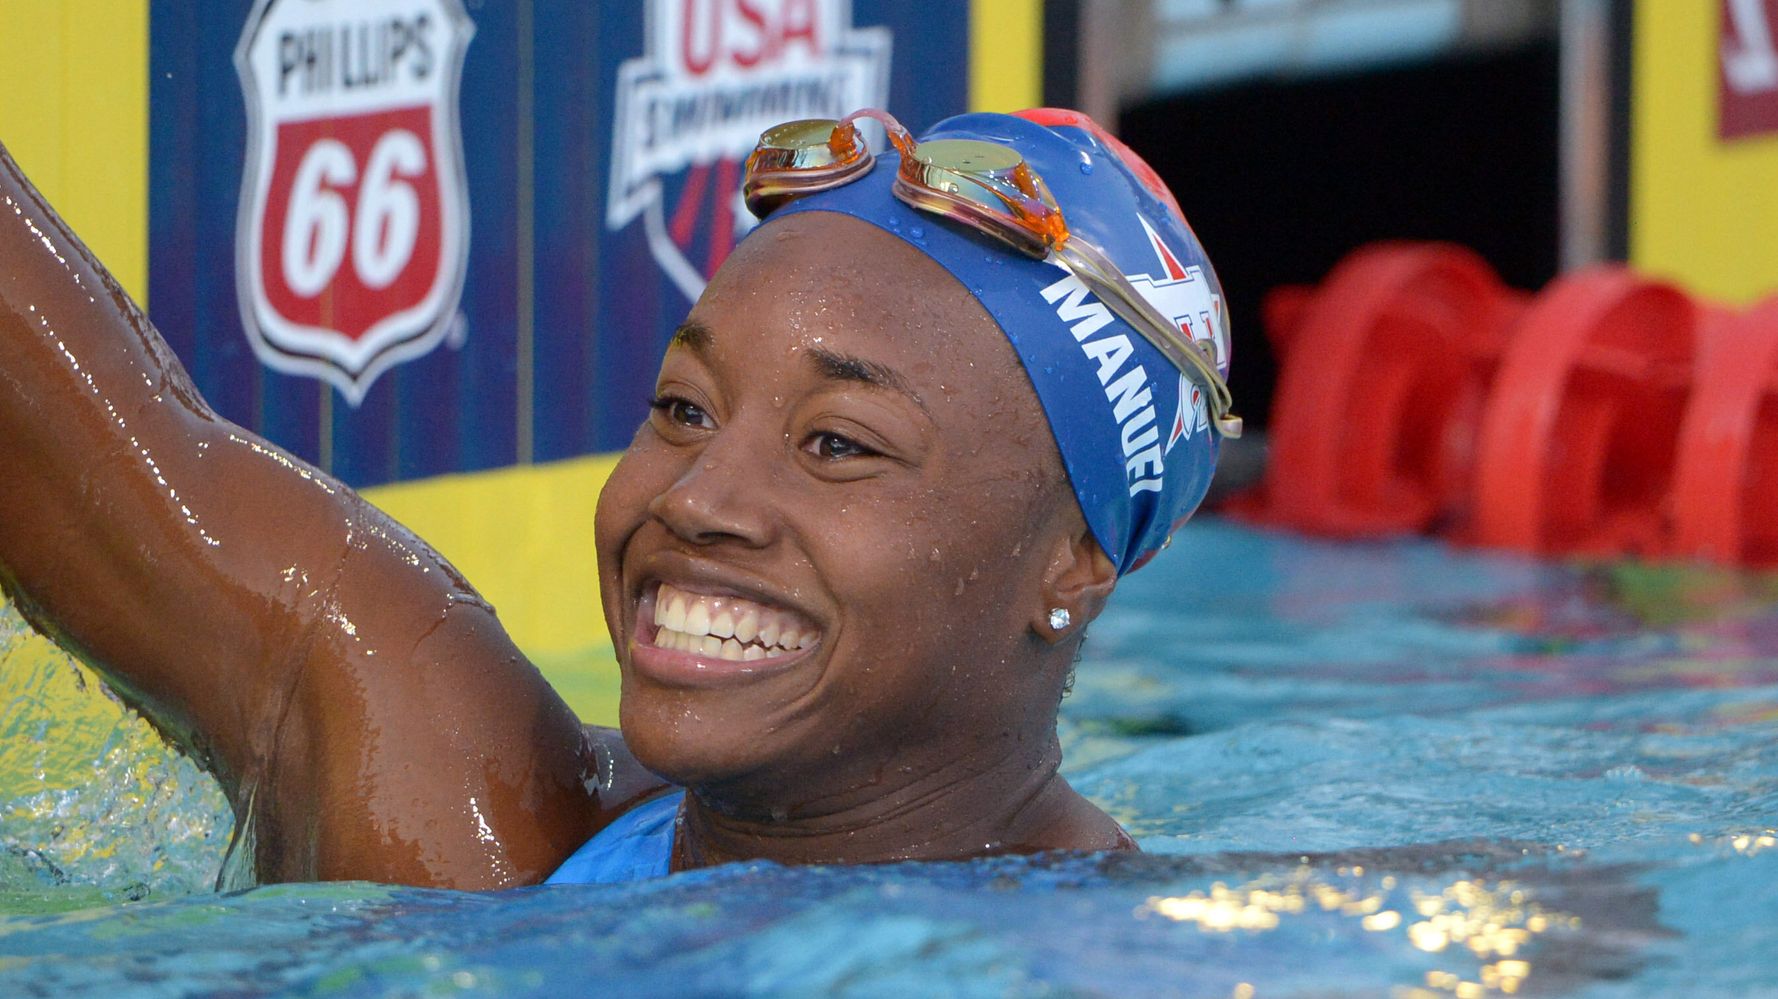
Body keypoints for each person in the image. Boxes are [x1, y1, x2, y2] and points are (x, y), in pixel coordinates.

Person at [0, 107, 1236, 890]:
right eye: (684, 410)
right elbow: (78, 422)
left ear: (1069, 561)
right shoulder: (459, 810)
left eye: (838, 445)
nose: (698, 500)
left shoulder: (1149, 961)